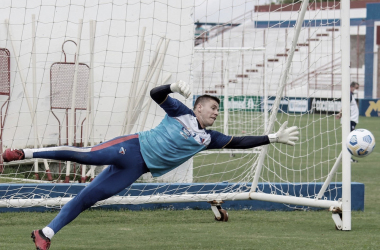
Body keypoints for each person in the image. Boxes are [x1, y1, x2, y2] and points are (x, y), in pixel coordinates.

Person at [2, 80, 299, 250]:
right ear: (198, 106)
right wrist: (172, 86)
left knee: (87, 198)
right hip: (130, 148)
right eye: (212, 107)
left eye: (218, 110)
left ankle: (46, 234)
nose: (216, 113)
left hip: (137, 169)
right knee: (86, 156)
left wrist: (272, 137)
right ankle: (22, 153)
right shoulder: (181, 111)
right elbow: (156, 95)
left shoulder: (210, 137)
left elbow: (240, 141)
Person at [336, 81, 359, 163]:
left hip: (351, 120)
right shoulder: (349, 94)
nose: (355, 90)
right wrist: (340, 113)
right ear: (351, 87)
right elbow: (345, 106)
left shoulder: (350, 95)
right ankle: (347, 157)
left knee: (348, 139)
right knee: (350, 139)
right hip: (350, 120)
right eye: (355, 88)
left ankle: (346, 156)